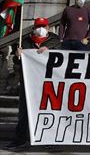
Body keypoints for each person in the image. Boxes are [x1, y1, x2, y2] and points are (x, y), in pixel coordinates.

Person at [5, 18, 60, 150]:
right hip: (28, 82)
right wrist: (17, 56)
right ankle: (20, 139)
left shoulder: (55, 41)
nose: (40, 29)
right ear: (33, 28)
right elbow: (18, 63)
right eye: (38, 26)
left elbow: (62, 56)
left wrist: (49, 49)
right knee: (24, 111)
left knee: (48, 110)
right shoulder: (25, 41)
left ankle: (48, 139)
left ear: (48, 28)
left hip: (48, 82)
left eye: (43, 26)